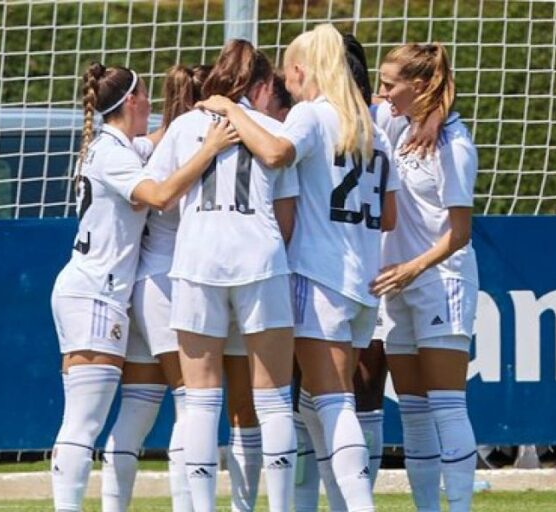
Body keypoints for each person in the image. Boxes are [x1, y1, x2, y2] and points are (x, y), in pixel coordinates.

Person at [197, 23, 398, 512]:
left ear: (304, 70)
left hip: (319, 277)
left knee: (332, 403)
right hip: (361, 283)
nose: (286, 85)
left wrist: (230, 109)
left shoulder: (313, 115)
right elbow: (389, 215)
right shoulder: (372, 128)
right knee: (315, 407)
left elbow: (274, 152)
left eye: (288, 74)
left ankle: (360, 505)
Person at [51, 61, 237, 512]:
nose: (152, 104)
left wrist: (193, 110)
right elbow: (160, 196)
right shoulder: (112, 153)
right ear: (131, 100)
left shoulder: (118, 144)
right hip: (95, 291)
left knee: (137, 410)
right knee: (83, 421)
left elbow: (160, 139)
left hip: (117, 292)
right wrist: (210, 147)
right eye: (147, 95)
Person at [160, 39, 299, 512]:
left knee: (201, 401)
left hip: (197, 261)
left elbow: (159, 193)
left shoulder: (183, 126)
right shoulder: (272, 128)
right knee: (274, 400)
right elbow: (286, 220)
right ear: (261, 85)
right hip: (260, 260)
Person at [372, 43, 480, 512]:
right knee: (413, 413)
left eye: (389, 85)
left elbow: (460, 233)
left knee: (447, 405)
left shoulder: (454, 144)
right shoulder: (398, 123)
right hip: (399, 283)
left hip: (441, 280)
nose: (382, 94)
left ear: (417, 86)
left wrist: (412, 268)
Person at [99, 63, 203, 512]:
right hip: (169, 282)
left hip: (142, 283)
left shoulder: (146, 145)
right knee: (193, 401)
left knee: (138, 409)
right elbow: (164, 196)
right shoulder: (192, 144)